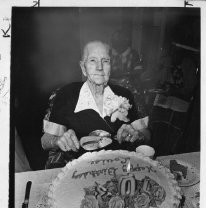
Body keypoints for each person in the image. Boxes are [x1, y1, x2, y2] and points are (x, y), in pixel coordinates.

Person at [41, 41, 150, 169]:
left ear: (111, 66)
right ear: (83, 67)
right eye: (92, 60)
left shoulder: (125, 94)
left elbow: (147, 135)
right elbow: (45, 141)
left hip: (119, 167)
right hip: (78, 169)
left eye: (105, 61)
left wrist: (138, 135)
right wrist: (57, 141)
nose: (100, 67)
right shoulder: (66, 94)